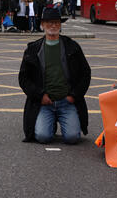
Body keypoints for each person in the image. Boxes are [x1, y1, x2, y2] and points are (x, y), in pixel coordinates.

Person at [19, 8, 91, 144]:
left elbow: (85, 73)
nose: (53, 26)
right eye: (49, 23)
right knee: (43, 137)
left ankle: (61, 120)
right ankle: (50, 124)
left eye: (56, 23)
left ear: (60, 25)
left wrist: (74, 96)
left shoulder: (72, 46)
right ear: (42, 25)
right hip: (44, 103)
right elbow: (24, 78)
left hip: (67, 102)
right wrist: (40, 96)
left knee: (72, 138)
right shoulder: (33, 49)